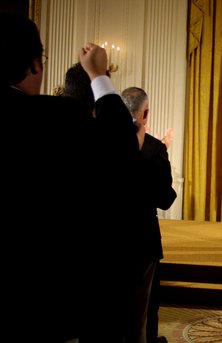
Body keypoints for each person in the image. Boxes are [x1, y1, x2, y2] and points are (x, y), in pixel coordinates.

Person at [0, 11, 142, 342]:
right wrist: (99, 75)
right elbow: (123, 146)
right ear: (35, 64)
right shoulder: (55, 117)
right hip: (36, 296)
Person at [121, 87, 177, 343]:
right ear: (145, 113)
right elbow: (164, 199)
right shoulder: (154, 149)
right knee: (144, 307)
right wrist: (161, 152)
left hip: (104, 239)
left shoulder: (97, 139)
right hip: (143, 239)